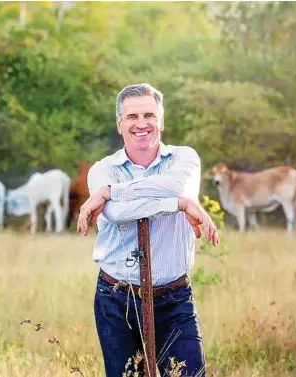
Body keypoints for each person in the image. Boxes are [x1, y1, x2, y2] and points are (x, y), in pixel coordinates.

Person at [76, 83, 220, 377]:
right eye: (132, 117)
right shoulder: (102, 170)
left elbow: (178, 185)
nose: (141, 124)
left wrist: (110, 192)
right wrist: (177, 203)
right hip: (117, 299)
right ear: (119, 125)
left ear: (161, 121)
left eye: (149, 115)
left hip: (173, 298)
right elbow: (116, 214)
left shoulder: (184, 159)